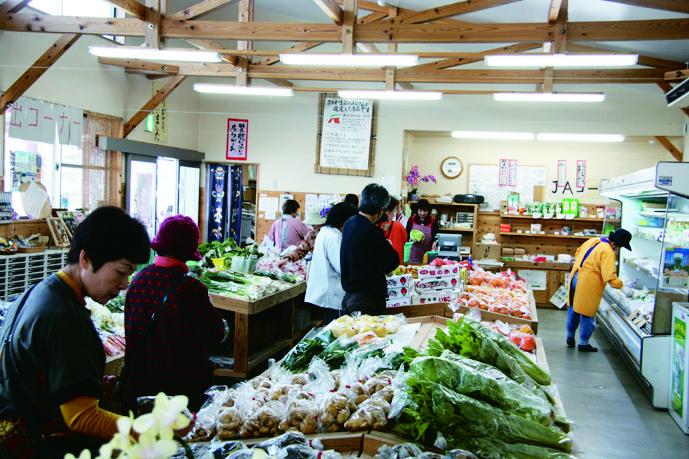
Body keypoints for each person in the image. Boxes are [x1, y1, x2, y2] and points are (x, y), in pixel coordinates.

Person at [0, 207, 150, 458]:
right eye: (121, 272)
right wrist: (144, 433)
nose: (124, 284)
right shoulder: (64, 316)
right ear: (86, 259)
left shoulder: (37, 293)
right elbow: (81, 417)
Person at [122, 215, 228, 412]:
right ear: (187, 252)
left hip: (140, 386)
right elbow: (215, 334)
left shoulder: (138, 280)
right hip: (180, 391)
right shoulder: (191, 288)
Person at [566, 228, 632, 352]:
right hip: (588, 282)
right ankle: (583, 343)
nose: (617, 250)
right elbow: (609, 276)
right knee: (587, 312)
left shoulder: (594, 240)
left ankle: (569, 336)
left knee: (573, 309)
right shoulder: (607, 251)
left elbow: (578, 252)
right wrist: (622, 286)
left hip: (575, 276)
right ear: (616, 244)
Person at [341, 184, 400, 315]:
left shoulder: (350, 223)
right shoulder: (372, 231)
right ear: (381, 209)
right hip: (367, 299)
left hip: (350, 296)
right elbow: (392, 262)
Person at [305, 203, 358, 324]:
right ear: (344, 222)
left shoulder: (326, 232)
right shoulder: (333, 237)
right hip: (333, 296)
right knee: (337, 331)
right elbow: (342, 266)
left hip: (326, 293)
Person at [405, 199, 439, 264]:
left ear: (428, 211)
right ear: (417, 210)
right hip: (413, 253)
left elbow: (436, 235)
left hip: (427, 253)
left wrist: (435, 242)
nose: (422, 213)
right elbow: (406, 233)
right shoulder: (412, 219)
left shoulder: (433, 221)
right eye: (420, 211)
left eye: (425, 211)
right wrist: (410, 239)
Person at [379, 196, 407, 264]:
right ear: (387, 212)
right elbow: (404, 241)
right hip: (396, 266)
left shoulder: (373, 226)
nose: (395, 213)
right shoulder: (398, 226)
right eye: (394, 210)